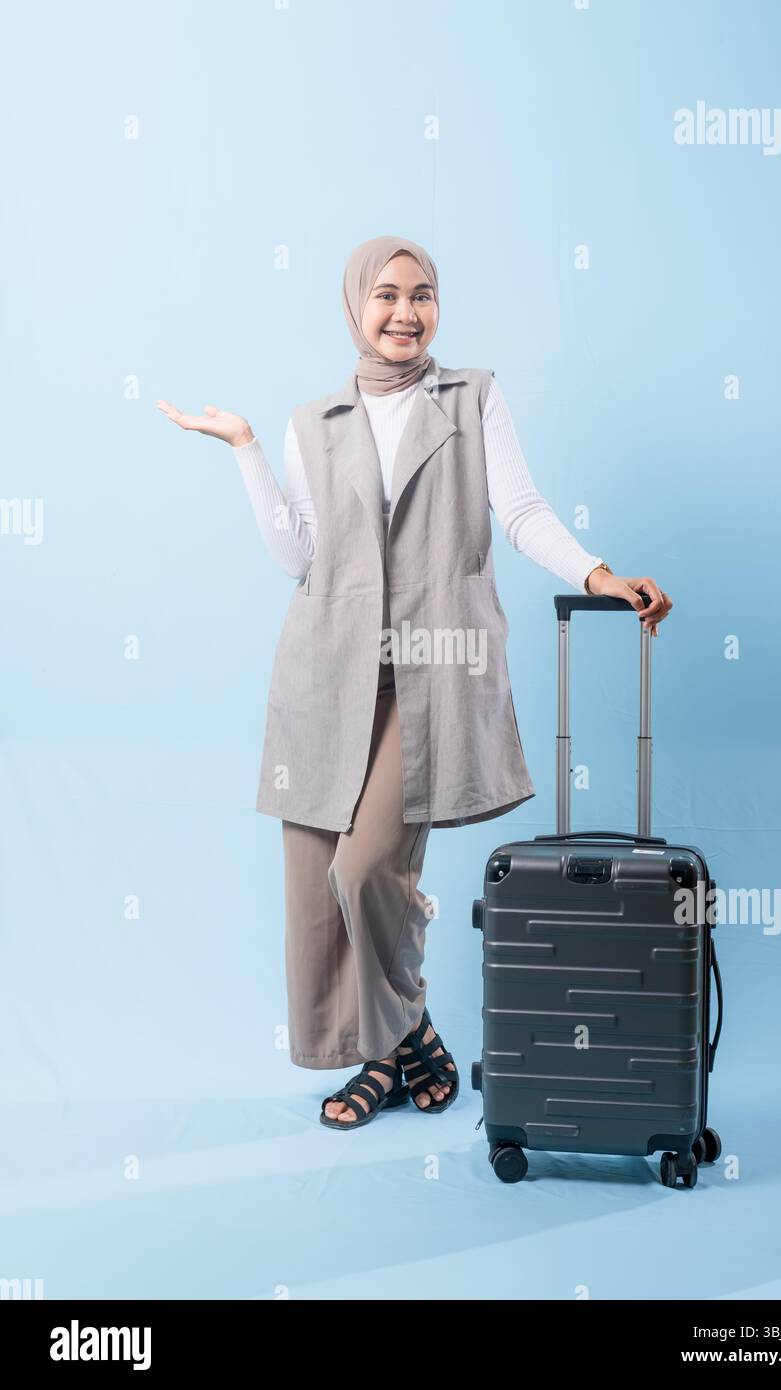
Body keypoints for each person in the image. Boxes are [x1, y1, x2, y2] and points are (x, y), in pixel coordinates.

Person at [156, 235, 673, 1130]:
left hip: (432, 677)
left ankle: (394, 1038)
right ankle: (398, 1051)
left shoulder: (471, 398)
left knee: (366, 871)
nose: (405, 312)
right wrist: (244, 448)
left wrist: (598, 574)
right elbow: (299, 557)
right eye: (387, 294)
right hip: (326, 676)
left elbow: (519, 509)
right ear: (355, 306)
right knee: (314, 883)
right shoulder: (312, 421)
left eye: (423, 294)